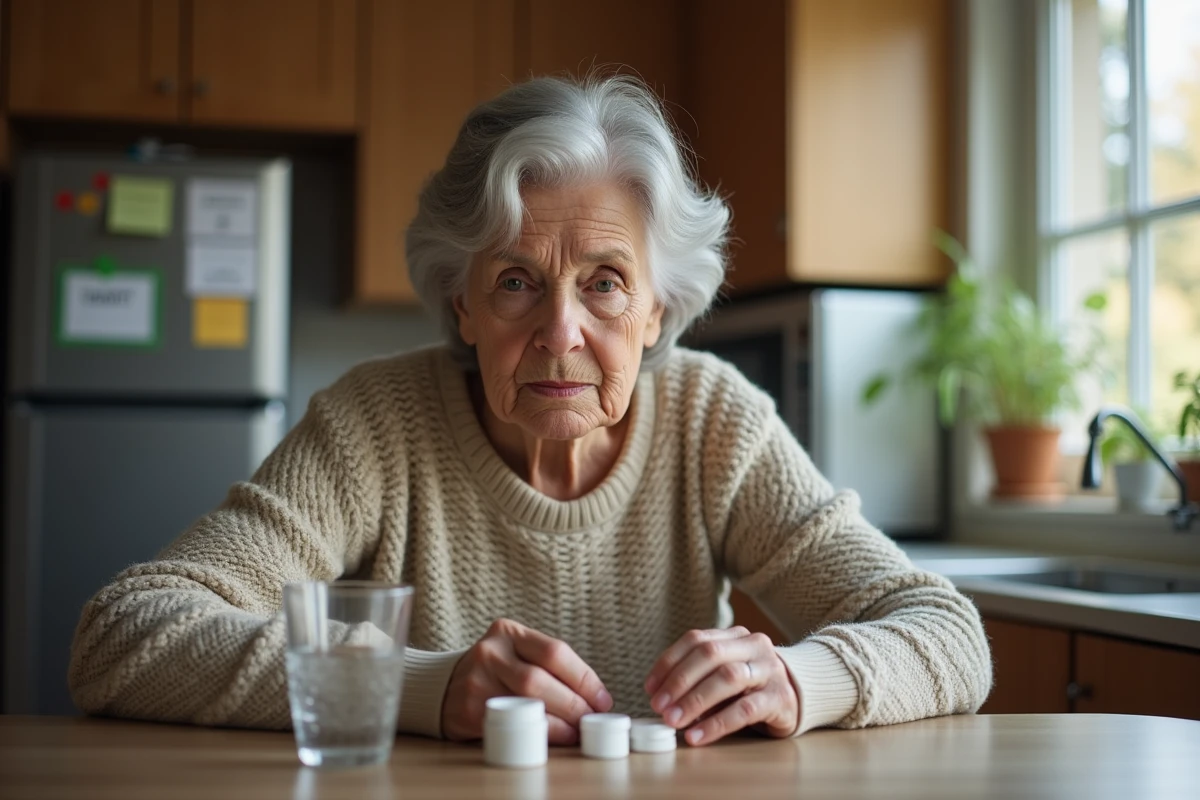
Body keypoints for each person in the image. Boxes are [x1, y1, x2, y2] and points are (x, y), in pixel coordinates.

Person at [69, 75, 991, 747]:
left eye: (605, 284)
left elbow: (947, 632)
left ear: (657, 310)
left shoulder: (716, 422)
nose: (560, 332)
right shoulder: (375, 425)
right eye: (515, 281)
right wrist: (418, 686)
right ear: (462, 305)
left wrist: (798, 676)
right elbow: (124, 634)